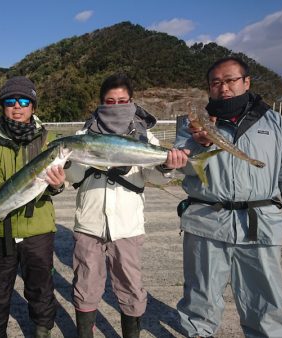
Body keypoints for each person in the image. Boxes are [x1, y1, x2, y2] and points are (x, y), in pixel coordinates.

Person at [64, 74, 189, 338]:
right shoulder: (82, 136)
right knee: (85, 286)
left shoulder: (146, 137)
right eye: (111, 101)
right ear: (101, 103)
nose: (117, 106)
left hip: (128, 227)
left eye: (123, 101)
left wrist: (167, 166)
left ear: (131, 101)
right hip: (89, 225)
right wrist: (69, 164)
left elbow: (153, 177)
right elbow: (72, 178)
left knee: (131, 287)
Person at [175, 56, 282, 337]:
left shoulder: (276, 124)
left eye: (230, 81)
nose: (223, 88)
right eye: (216, 83)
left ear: (246, 82)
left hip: (259, 223)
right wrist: (198, 144)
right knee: (199, 299)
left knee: (265, 302)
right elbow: (182, 167)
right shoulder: (191, 124)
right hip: (206, 221)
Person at [0, 76, 66, 338]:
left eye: (24, 101)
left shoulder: (49, 142)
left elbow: (59, 183)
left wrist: (57, 185)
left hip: (38, 230)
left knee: (41, 290)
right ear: (2, 106)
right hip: (0, 230)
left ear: (33, 106)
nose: (17, 106)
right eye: (10, 101)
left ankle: (43, 332)